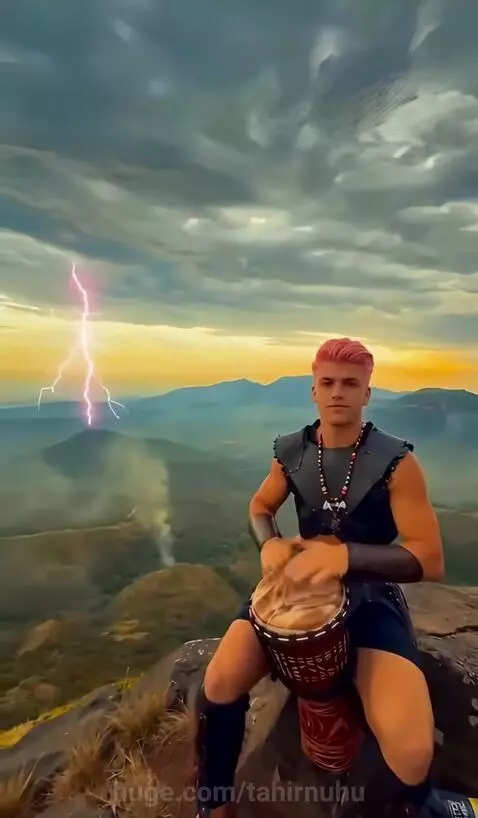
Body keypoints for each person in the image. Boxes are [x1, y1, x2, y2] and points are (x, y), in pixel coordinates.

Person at [194, 337, 445, 818]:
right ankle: (214, 803)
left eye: (350, 384)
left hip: (369, 594)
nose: (338, 393)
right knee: (220, 682)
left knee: (412, 751)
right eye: (327, 383)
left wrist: (346, 558)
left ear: (367, 393)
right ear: (313, 390)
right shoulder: (291, 451)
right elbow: (260, 506)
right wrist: (268, 541)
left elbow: (428, 558)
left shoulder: (396, 462)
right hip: (297, 588)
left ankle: (424, 806)